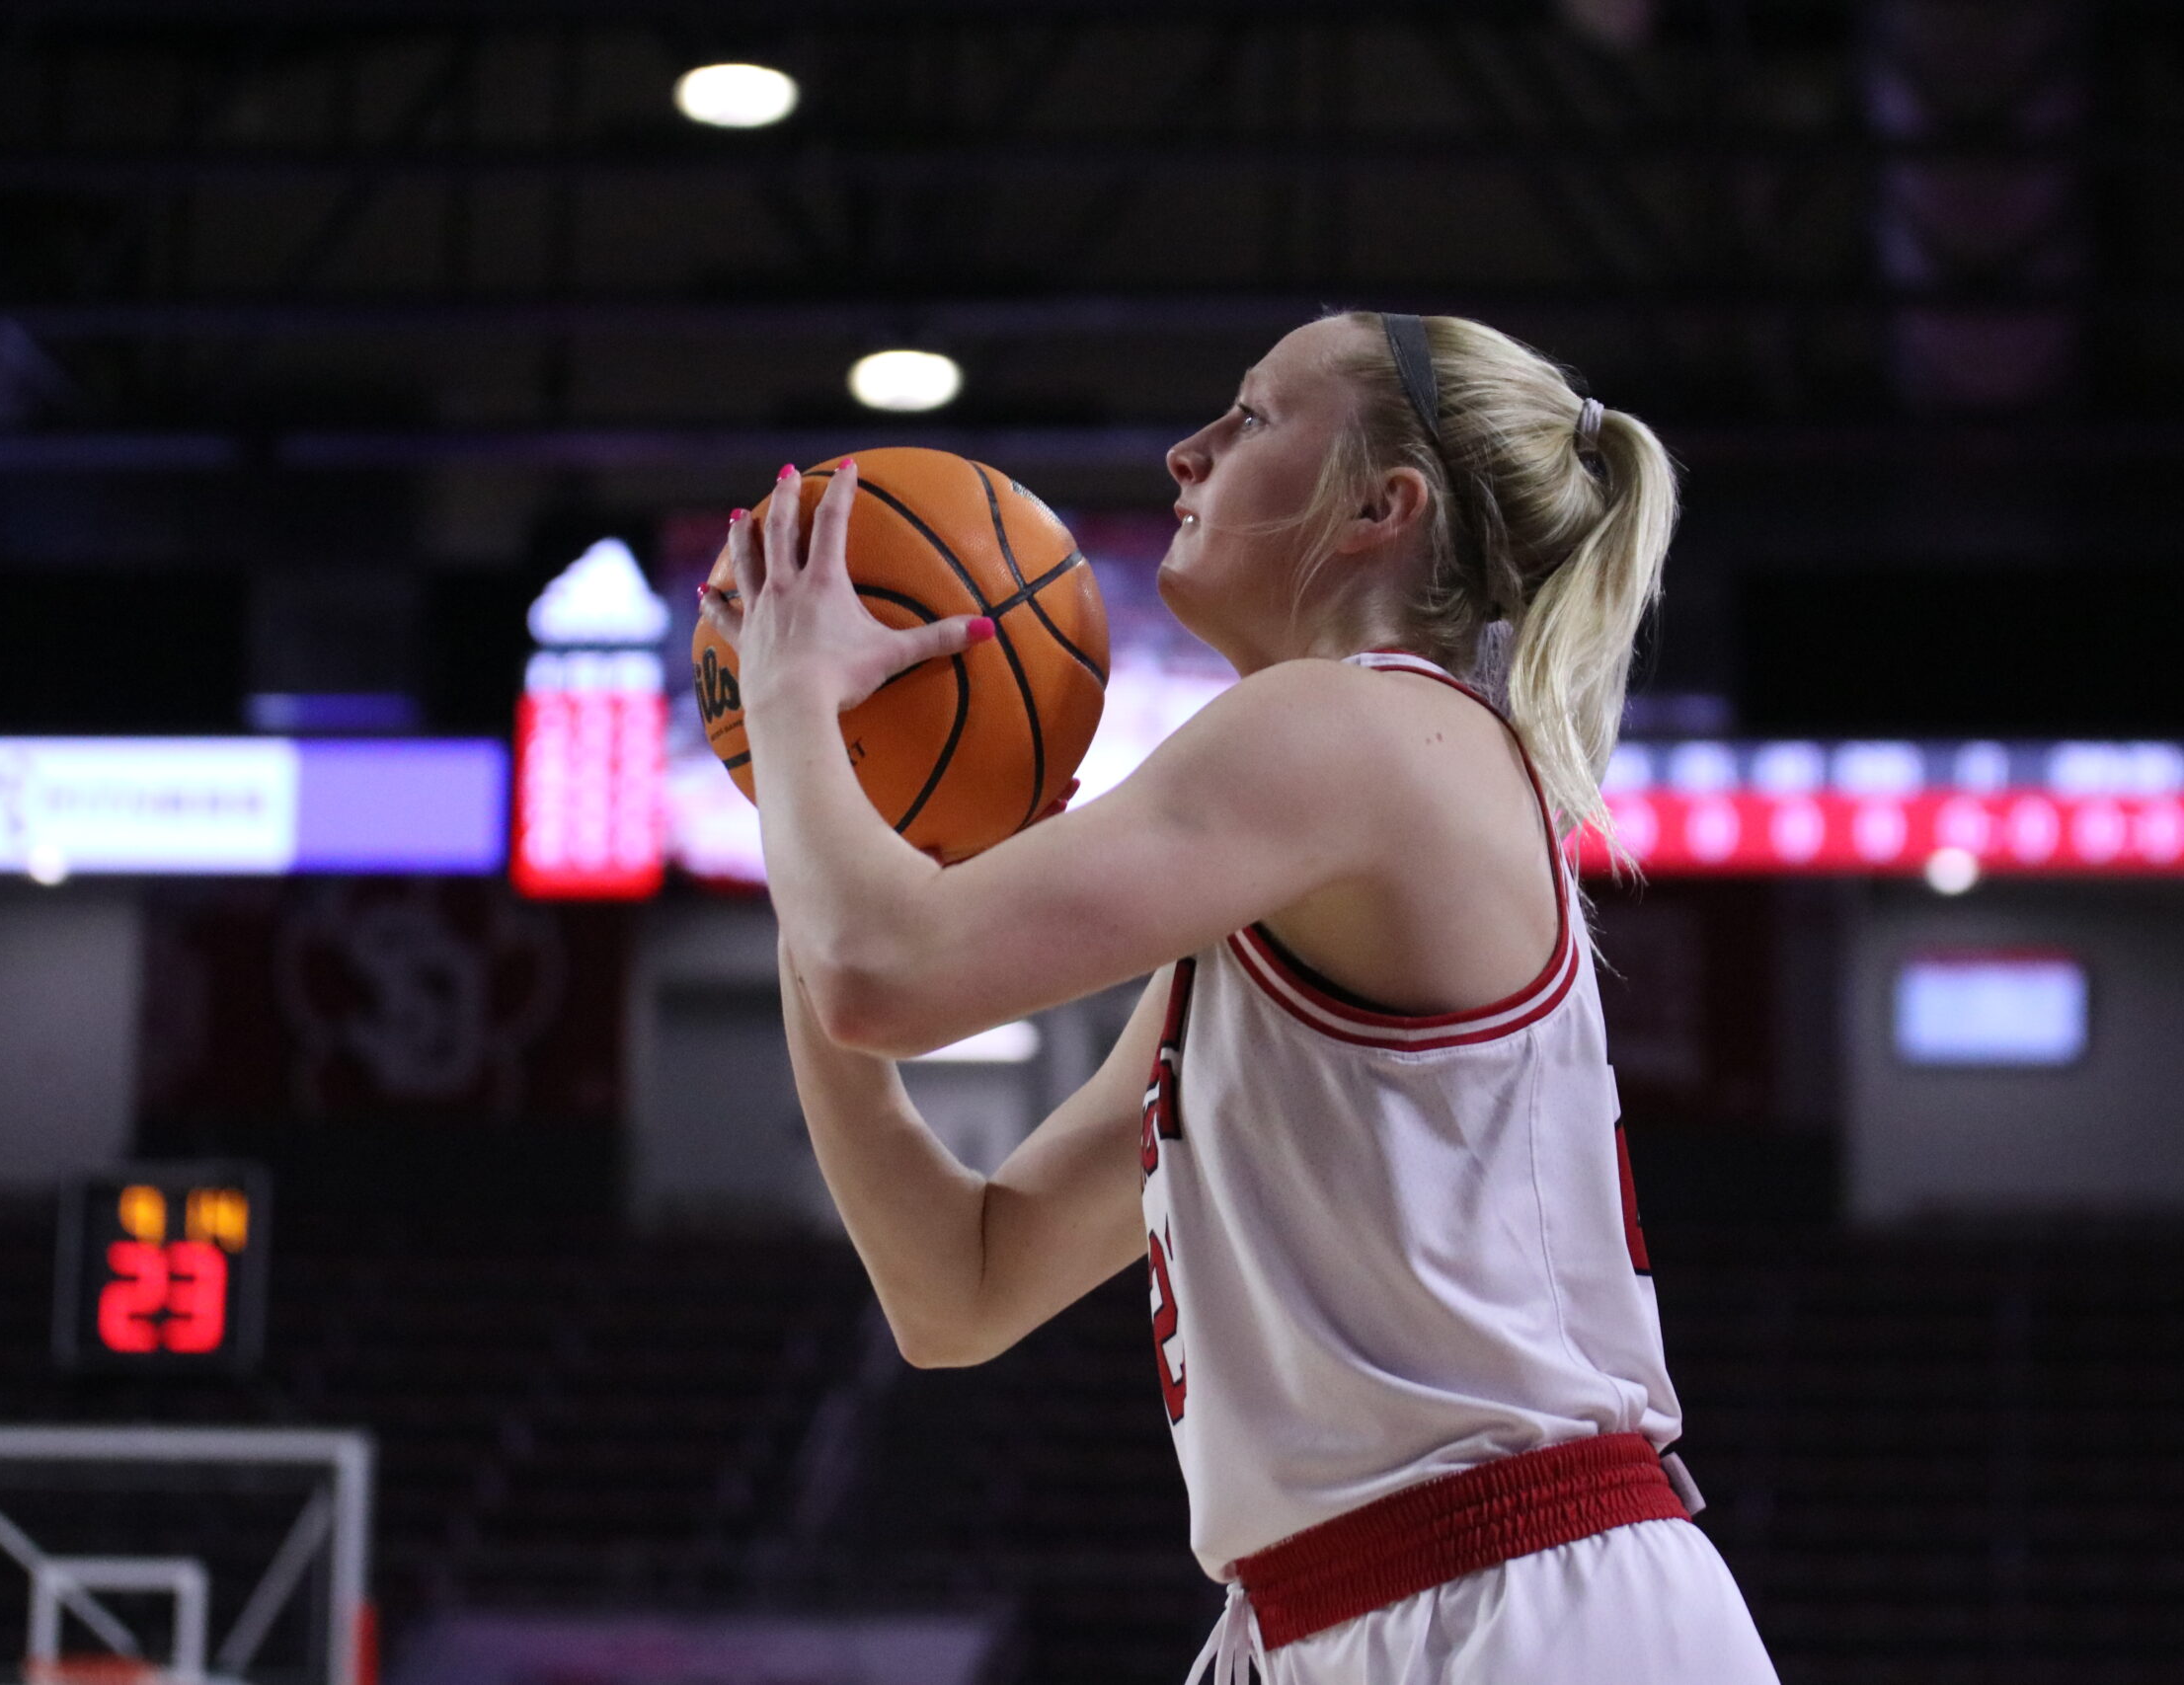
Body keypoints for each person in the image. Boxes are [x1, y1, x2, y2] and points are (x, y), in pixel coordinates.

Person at [702, 311, 1778, 1683]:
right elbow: (956, 1286)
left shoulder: (1355, 725)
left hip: (1503, 1599)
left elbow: (885, 975)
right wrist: (820, 824)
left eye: (1255, 417)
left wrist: (792, 701)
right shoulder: (1307, 850)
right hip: (1376, 1605)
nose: (1188, 450)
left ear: (1385, 508)